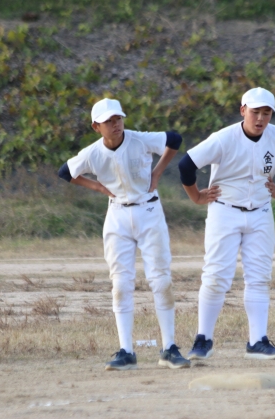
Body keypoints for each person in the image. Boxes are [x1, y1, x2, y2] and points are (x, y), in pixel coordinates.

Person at [178, 87, 275, 360]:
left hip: (261, 212)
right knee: (216, 276)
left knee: (260, 277)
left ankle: (257, 341)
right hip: (224, 211)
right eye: (255, 112)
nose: (261, 118)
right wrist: (196, 196)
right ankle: (203, 339)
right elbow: (186, 165)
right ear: (243, 111)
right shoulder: (224, 138)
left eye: (267, 113)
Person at [58, 98, 189, 370]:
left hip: (149, 211)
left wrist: (157, 172)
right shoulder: (92, 153)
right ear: (96, 127)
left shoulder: (139, 139)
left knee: (161, 279)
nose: (115, 124)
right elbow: (65, 172)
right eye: (108, 121)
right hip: (117, 215)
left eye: (118, 118)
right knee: (120, 283)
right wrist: (97, 187)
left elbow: (174, 139)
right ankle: (126, 351)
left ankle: (169, 348)